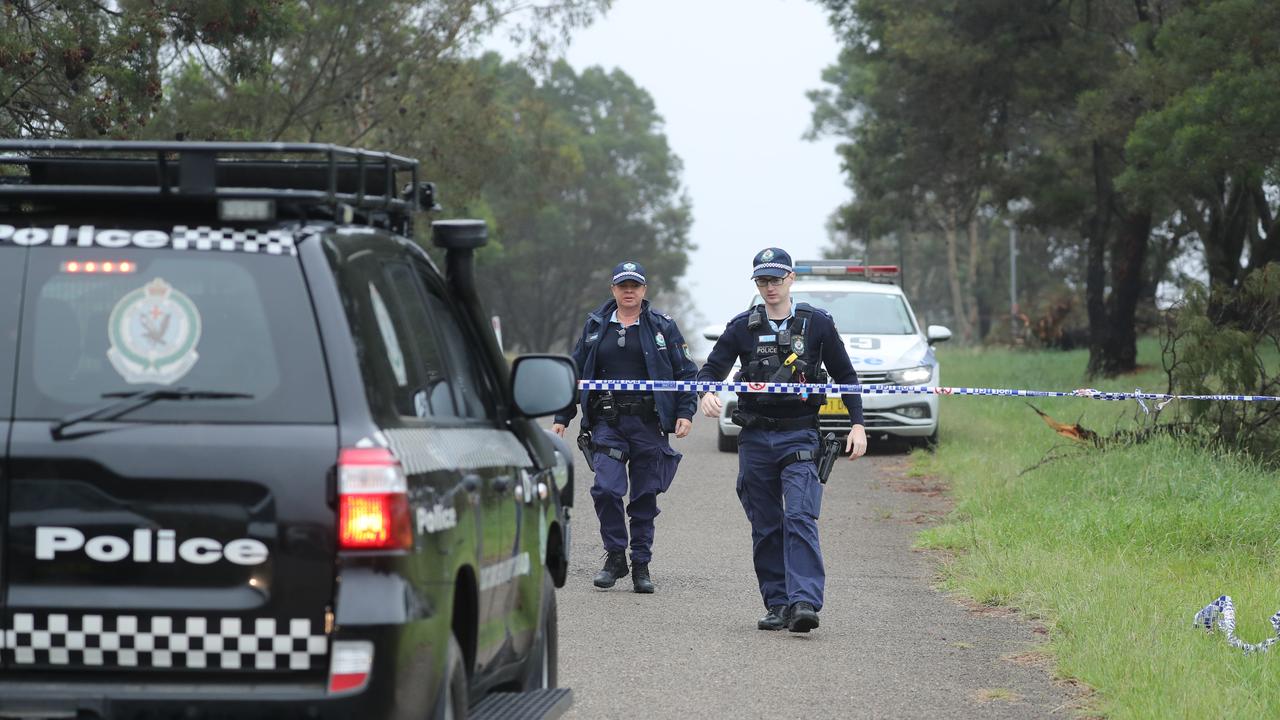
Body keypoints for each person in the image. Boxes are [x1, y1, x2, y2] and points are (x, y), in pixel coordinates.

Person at [697, 247, 868, 633]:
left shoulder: (817, 324)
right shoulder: (742, 326)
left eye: (775, 279)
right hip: (756, 437)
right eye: (762, 281)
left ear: (791, 279)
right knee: (766, 524)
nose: (769, 287)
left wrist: (857, 425)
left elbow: (846, 375)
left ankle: (804, 601)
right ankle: (777, 604)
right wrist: (704, 392)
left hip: (801, 434)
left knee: (800, 516)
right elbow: (711, 369)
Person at [553, 260, 697, 593]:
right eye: (623, 286)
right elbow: (574, 374)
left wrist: (686, 412)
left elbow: (687, 373)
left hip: (649, 424)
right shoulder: (595, 326)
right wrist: (563, 416)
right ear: (613, 290)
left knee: (645, 497)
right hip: (608, 423)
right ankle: (615, 555)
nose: (629, 291)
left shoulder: (663, 327)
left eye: (635, 285)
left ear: (644, 290)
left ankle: (641, 564)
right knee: (605, 489)